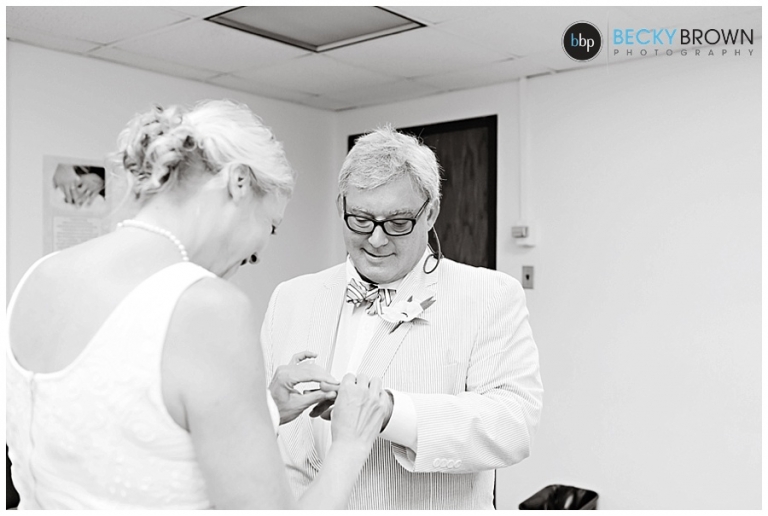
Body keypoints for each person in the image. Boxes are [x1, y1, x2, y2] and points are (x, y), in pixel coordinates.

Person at [5, 100, 386, 509]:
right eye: (270, 225)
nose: (257, 253)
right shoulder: (208, 307)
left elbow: (115, 435)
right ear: (239, 182)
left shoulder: (41, 275)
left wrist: (265, 408)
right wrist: (350, 443)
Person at [261, 126, 544, 509]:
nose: (376, 240)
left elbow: (513, 425)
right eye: (361, 219)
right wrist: (268, 406)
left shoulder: (489, 295)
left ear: (431, 213)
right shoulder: (290, 297)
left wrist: (393, 413)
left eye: (398, 223)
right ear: (341, 206)